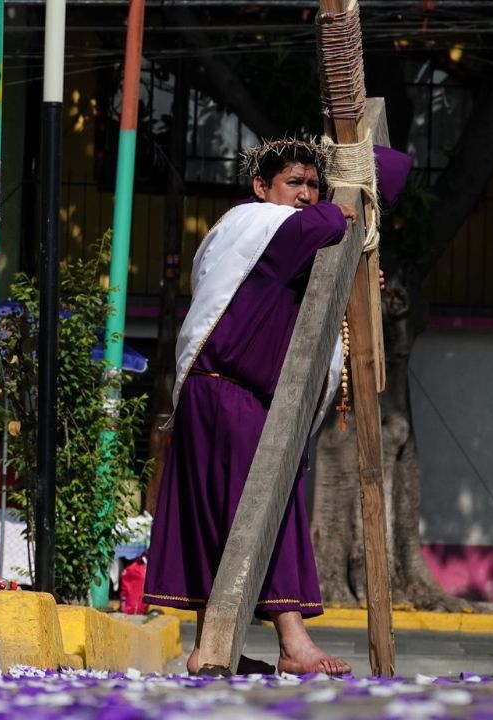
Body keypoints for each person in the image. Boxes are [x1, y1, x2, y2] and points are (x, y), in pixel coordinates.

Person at [143, 137, 411, 676]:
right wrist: (350, 202)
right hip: (225, 390)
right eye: (296, 183)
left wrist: (361, 275)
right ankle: (293, 643)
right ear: (261, 186)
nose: (307, 195)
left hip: (231, 394)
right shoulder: (254, 224)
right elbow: (331, 224)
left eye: (314, 185)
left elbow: (318, 287)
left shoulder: (281, 241)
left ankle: (210, 648)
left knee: (224, 513)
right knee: (263, 507)